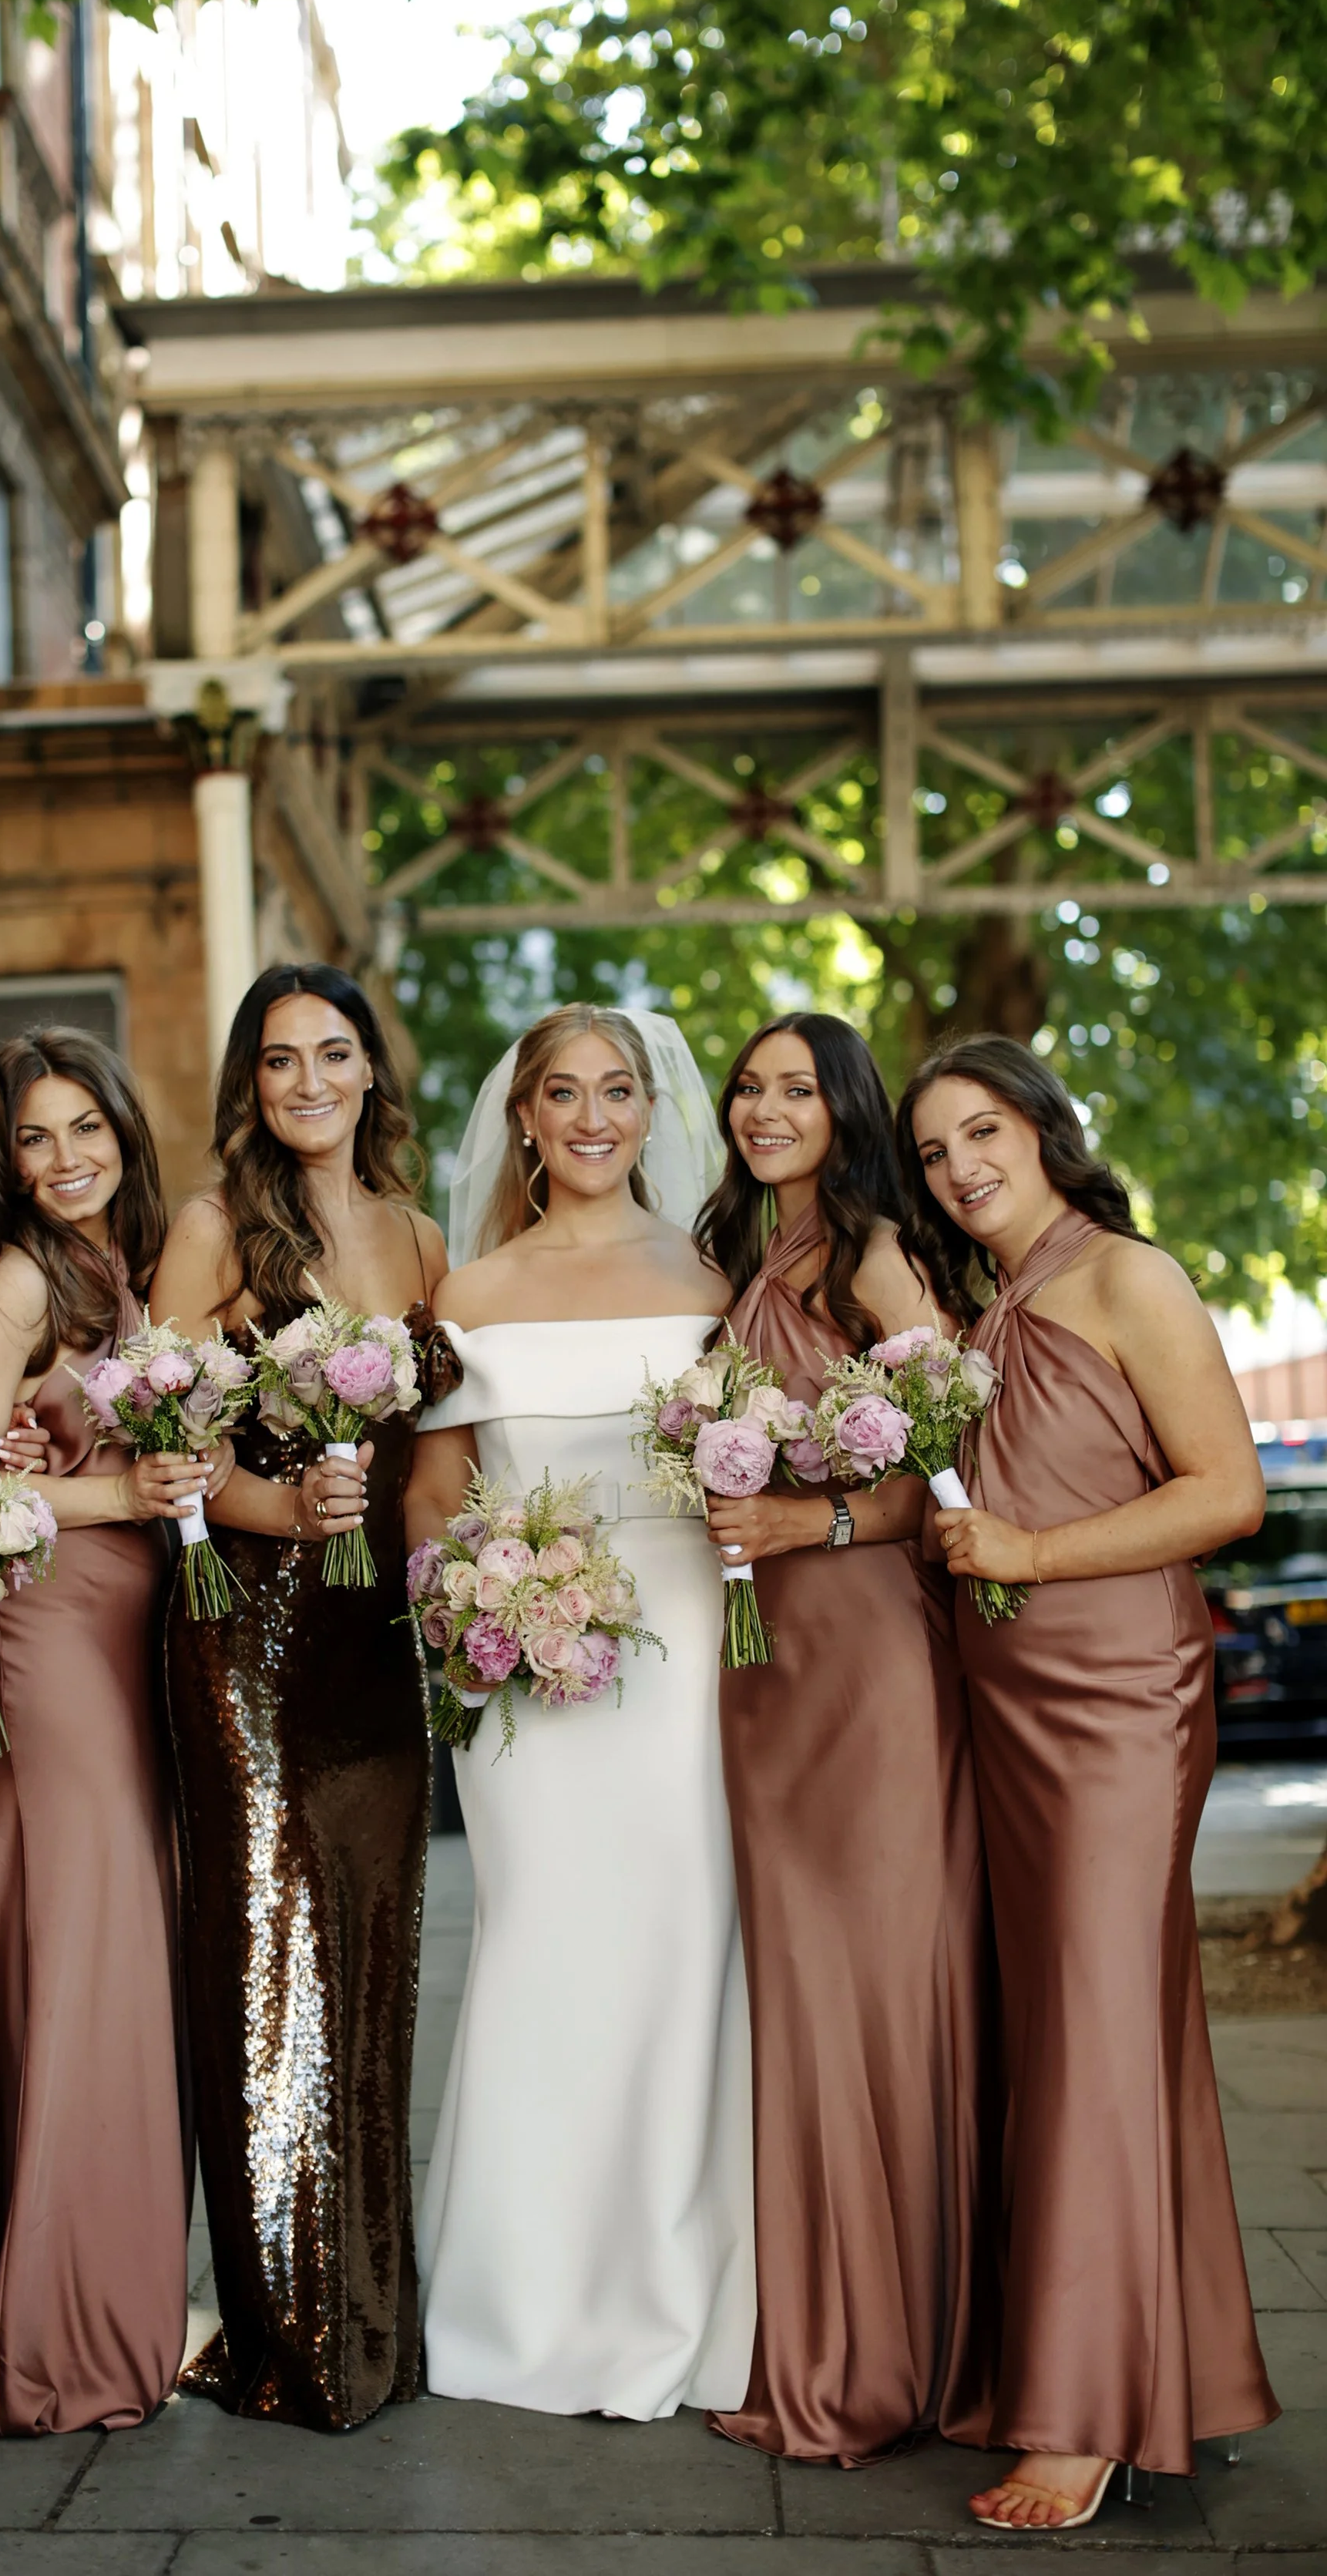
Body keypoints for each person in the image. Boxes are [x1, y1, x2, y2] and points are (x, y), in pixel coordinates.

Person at [900, 1033, 1277, 2529]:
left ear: (1046, 1129)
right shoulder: (986, 1308)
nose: (960, 1167)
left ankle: (1086, 2416)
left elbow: (1229, 1494)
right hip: (1011, 1705)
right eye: (934, 1152)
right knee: (1082, 2032)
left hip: (1120, 1699)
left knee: (1099, 2030)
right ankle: (1161, 2371)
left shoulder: (1131, 1278)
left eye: (982, 1131)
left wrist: (1032, 1551)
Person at [405, 1004, 755, 2420]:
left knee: (680, 1957)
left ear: (649, 1110)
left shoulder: (718, 1276)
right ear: (527, 1118)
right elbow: (435, 1492)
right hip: (526, 1677)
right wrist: (472, 1603)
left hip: (685, 1654)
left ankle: (676, 2299)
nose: (595, 1117)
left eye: (619, 1091)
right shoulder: (472, 1290)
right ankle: (523, 2305)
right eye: (566, 1093)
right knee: (543, 1950)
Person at [149, 962, 456, 2432]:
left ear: (371, 1070)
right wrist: (276, 1506)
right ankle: (289, 2332)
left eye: (334, 1053)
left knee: (374, 1958)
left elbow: (444, 1450)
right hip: (249, 1642)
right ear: (251, 1084)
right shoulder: (216, 1228)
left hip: (374, 1640)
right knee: (269, 1962)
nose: (310, 1082)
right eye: (280, 1061)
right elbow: (160, 1431)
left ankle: (371, 2314)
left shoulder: (422, 1236)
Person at [696, 1014, 996, 2463]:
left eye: (797, 1089)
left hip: (869, 1657)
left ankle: (891, 2361)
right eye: (749, 1088)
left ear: (846, 1108)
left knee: (877, 1990)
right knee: (806, 2000)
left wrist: (802, 1521)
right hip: (767, 1665)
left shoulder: (876, 1256)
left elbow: (953, 1470)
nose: (765, 1110)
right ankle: (825, 2343)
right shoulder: (755, 1260)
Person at [0, 1026, 207, 2435]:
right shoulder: (17, 1279)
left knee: (120, 1953)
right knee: (85, 1955)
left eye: (84, 1129)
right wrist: (119, 1497)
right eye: (32, 1138)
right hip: (48, 1636)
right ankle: (52, 2336)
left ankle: (108, 2301)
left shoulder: (129, 1271)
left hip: (130, 1636)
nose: (62, 1160)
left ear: (123, 1129)